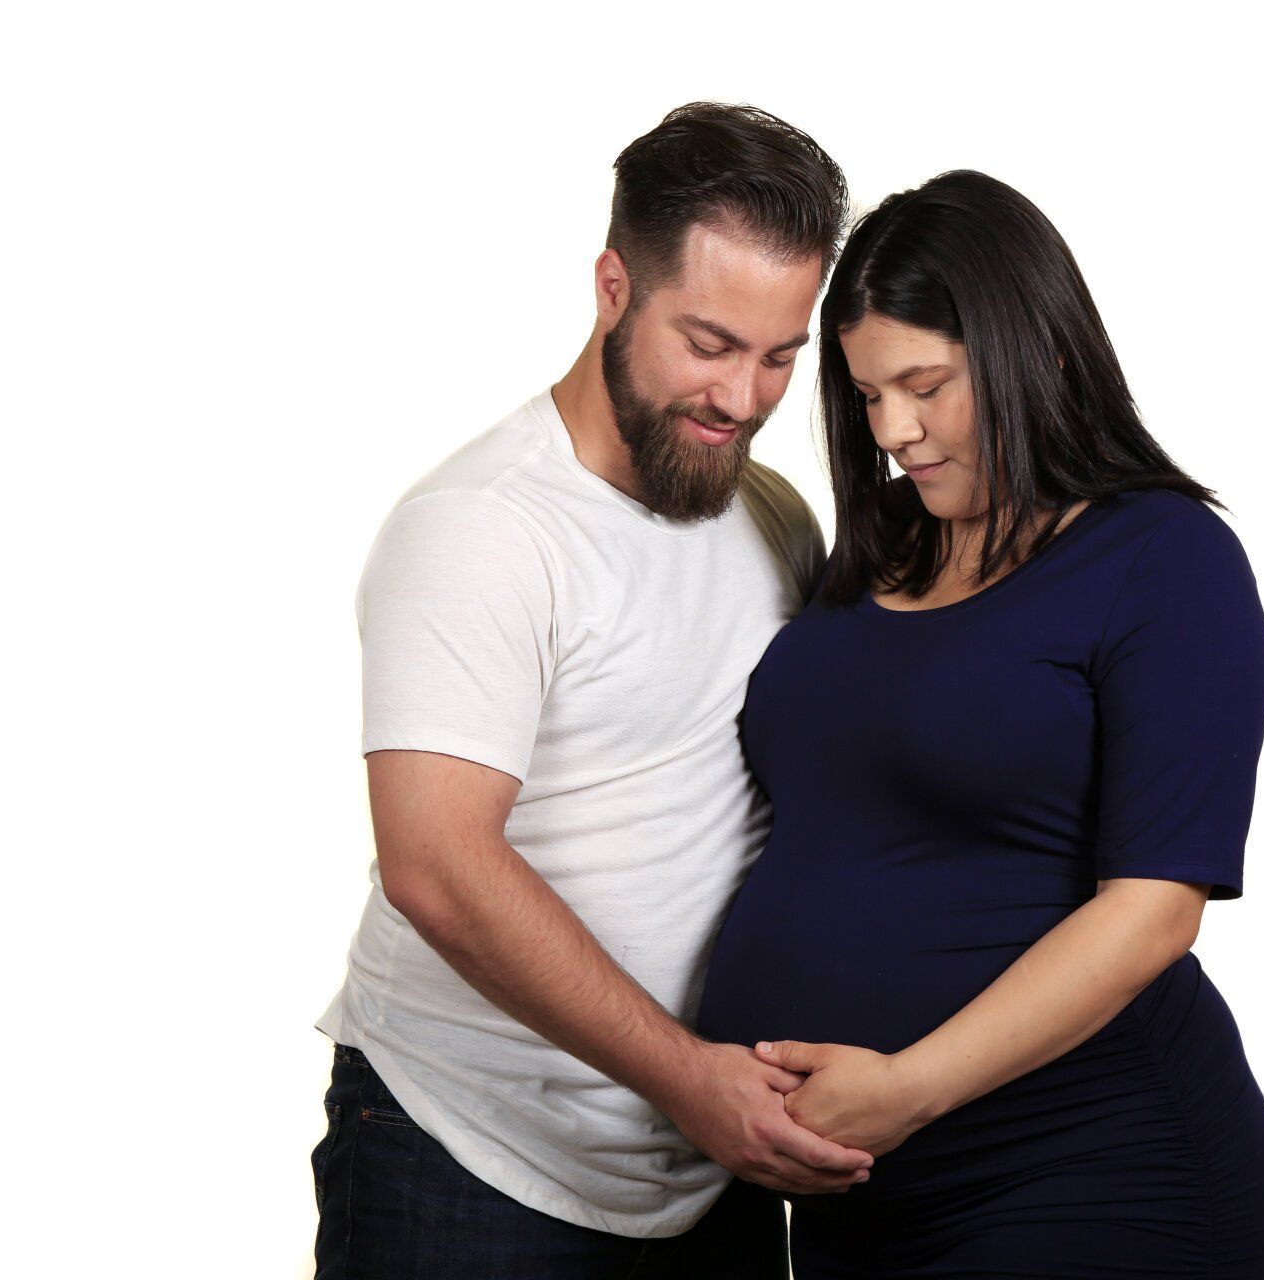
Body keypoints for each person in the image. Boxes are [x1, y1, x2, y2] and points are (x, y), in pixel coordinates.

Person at [696, 171, 1264, 1279]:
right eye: (868, 394)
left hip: (1093, 1167)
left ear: (1041, 352)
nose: (894, 430)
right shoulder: (882, 537)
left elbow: (1154, 912)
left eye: (925, 386)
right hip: (858, 1197)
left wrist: (907, 1088)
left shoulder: (1166, 560)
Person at [311, 103, 867, 1278]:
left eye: (780, 356)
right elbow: (436, 866)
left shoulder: (772, 516)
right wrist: (690, 1077)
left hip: (708, 1161)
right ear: (614, 288)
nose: (743, 398)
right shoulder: (481, 529)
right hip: (467, 1160)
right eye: (709, 343)